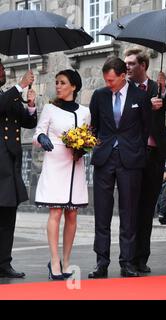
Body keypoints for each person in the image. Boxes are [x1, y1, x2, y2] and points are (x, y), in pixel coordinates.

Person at [88, 57, 150, 279]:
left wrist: (135, 150)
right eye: (106, 80)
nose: (108, 84)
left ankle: (128, 262)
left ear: (123, 76)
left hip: (131, 160)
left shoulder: (140, 97)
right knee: (102, 213)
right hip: (104, 159)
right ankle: (101, 262)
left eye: (112, 80)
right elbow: (94, 126)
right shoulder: (99, 96)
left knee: (129, 212)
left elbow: (145, 128)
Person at [33, 70, 89, 280]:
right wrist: (41, 138)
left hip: (75, 165)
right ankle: (54, 260)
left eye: (62, 82)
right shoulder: (50, 108)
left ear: (73, 86)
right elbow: (39, 132)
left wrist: (84, 147)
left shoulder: (85, 111)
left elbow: (88, 135)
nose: (58, 86)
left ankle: (66, 261)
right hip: (55, 164)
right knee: (55, 212)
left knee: (72, 214)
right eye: (56, 82)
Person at [124, 48, 166, 274]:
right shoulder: (124, 90)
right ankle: (128, 257)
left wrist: (163, 90)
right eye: (126, 63)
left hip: (155, 154)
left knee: (147, 209)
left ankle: (142, 258)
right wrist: (147, 105)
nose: (127, 67)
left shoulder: (156, 87)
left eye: (132, 63)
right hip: (133, 153)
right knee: (132, 208)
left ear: (143, 65)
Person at [0, 62, 36, 279]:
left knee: (7, 218)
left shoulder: (8, 96)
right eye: (0, 69)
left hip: (10, 165)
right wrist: (21, 86)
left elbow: (28, 121)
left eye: (3, 69)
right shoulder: (8, 96)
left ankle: (4, 262)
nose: (3, 73)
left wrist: (31, 105)